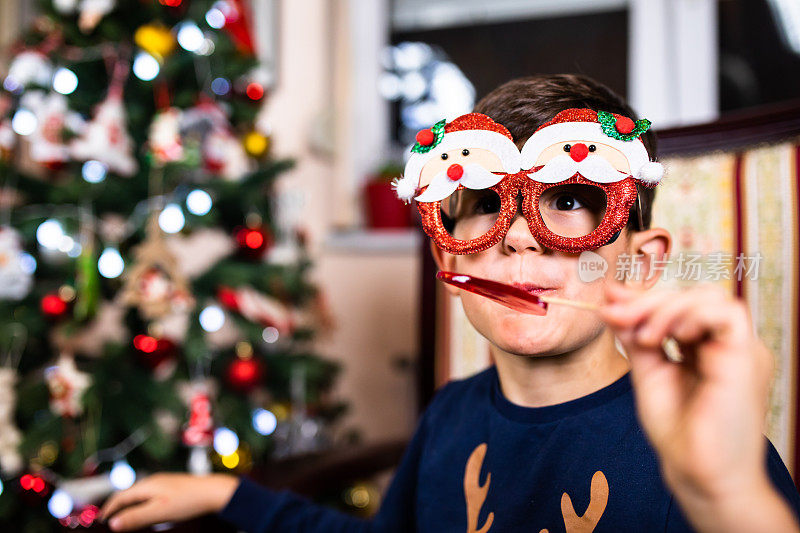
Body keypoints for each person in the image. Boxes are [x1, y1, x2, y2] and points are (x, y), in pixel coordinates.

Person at [100, 74, 800, 532]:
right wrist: (231, 496)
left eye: (567, 200)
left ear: (640, 263)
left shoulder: (706, 447)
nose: (524, 238)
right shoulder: (450, 417)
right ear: (446, 256)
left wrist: (728, 493)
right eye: (489, 204)